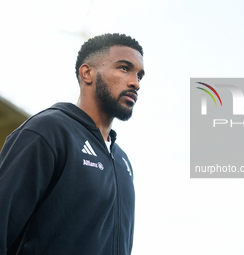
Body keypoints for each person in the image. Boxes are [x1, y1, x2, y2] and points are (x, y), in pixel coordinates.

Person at [0, 33, 144, 255]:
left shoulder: (123, 161)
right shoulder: (47, 131)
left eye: (139, 75)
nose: (135, 82)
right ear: (87, 73)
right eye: (124, 68)